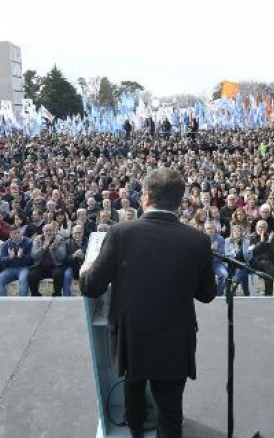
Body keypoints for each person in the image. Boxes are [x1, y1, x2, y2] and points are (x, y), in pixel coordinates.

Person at [80, 168, 216, 438]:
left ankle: (136, 430)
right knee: (170, 409)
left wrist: (86, 268)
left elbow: (92, 286)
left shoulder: (121, 233)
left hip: (133, 338)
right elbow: (207, 294)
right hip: (176, 339)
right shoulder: (198, 241)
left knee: (133, 387)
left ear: (145, 198)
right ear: (179, 202)